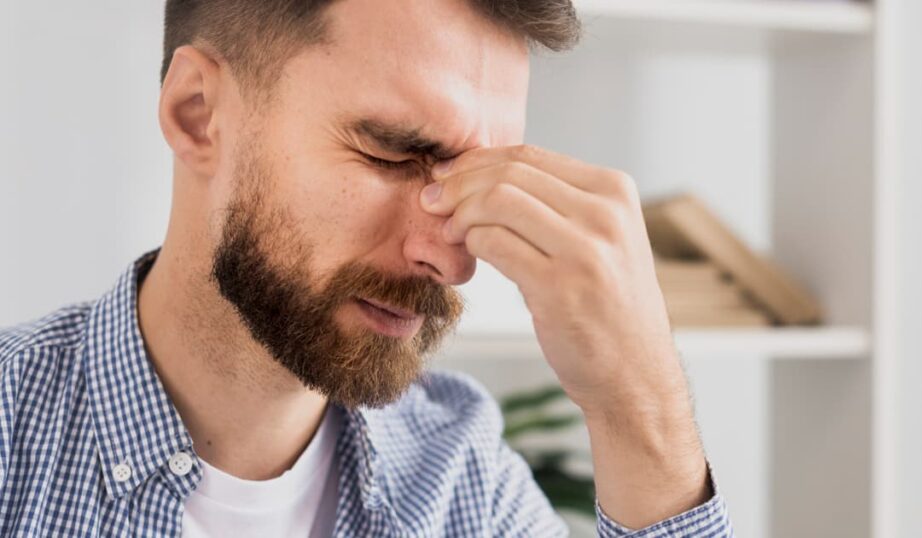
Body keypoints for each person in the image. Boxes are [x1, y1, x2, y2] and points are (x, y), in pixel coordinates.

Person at [0, 0, 733, 536]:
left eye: (479, 179)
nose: (451, 259)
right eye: (392, 153)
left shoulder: (459, 481)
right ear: (198, 114)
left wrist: (638, 407)